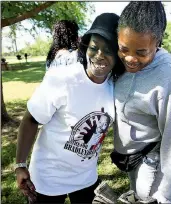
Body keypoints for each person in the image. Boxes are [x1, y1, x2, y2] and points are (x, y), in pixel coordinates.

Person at [15, 13, 125, 204]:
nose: (99, 55)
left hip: (86, 179)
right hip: (48, 178)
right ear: (86, 47)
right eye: (94, 47)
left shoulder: (116, 86)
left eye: (108, 50)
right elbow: (31, 119)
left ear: (118, 55)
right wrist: (20, 165)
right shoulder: (62, 78)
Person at [111, 2, 171, 203]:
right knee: (134, 195)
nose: (130, 59)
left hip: (150, 162)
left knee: (144, 198)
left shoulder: (167, 78)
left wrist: (164, 197)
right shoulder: (118, 65)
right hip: (130, 159)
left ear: (158, 42)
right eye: (124, 48)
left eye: (141, 52)